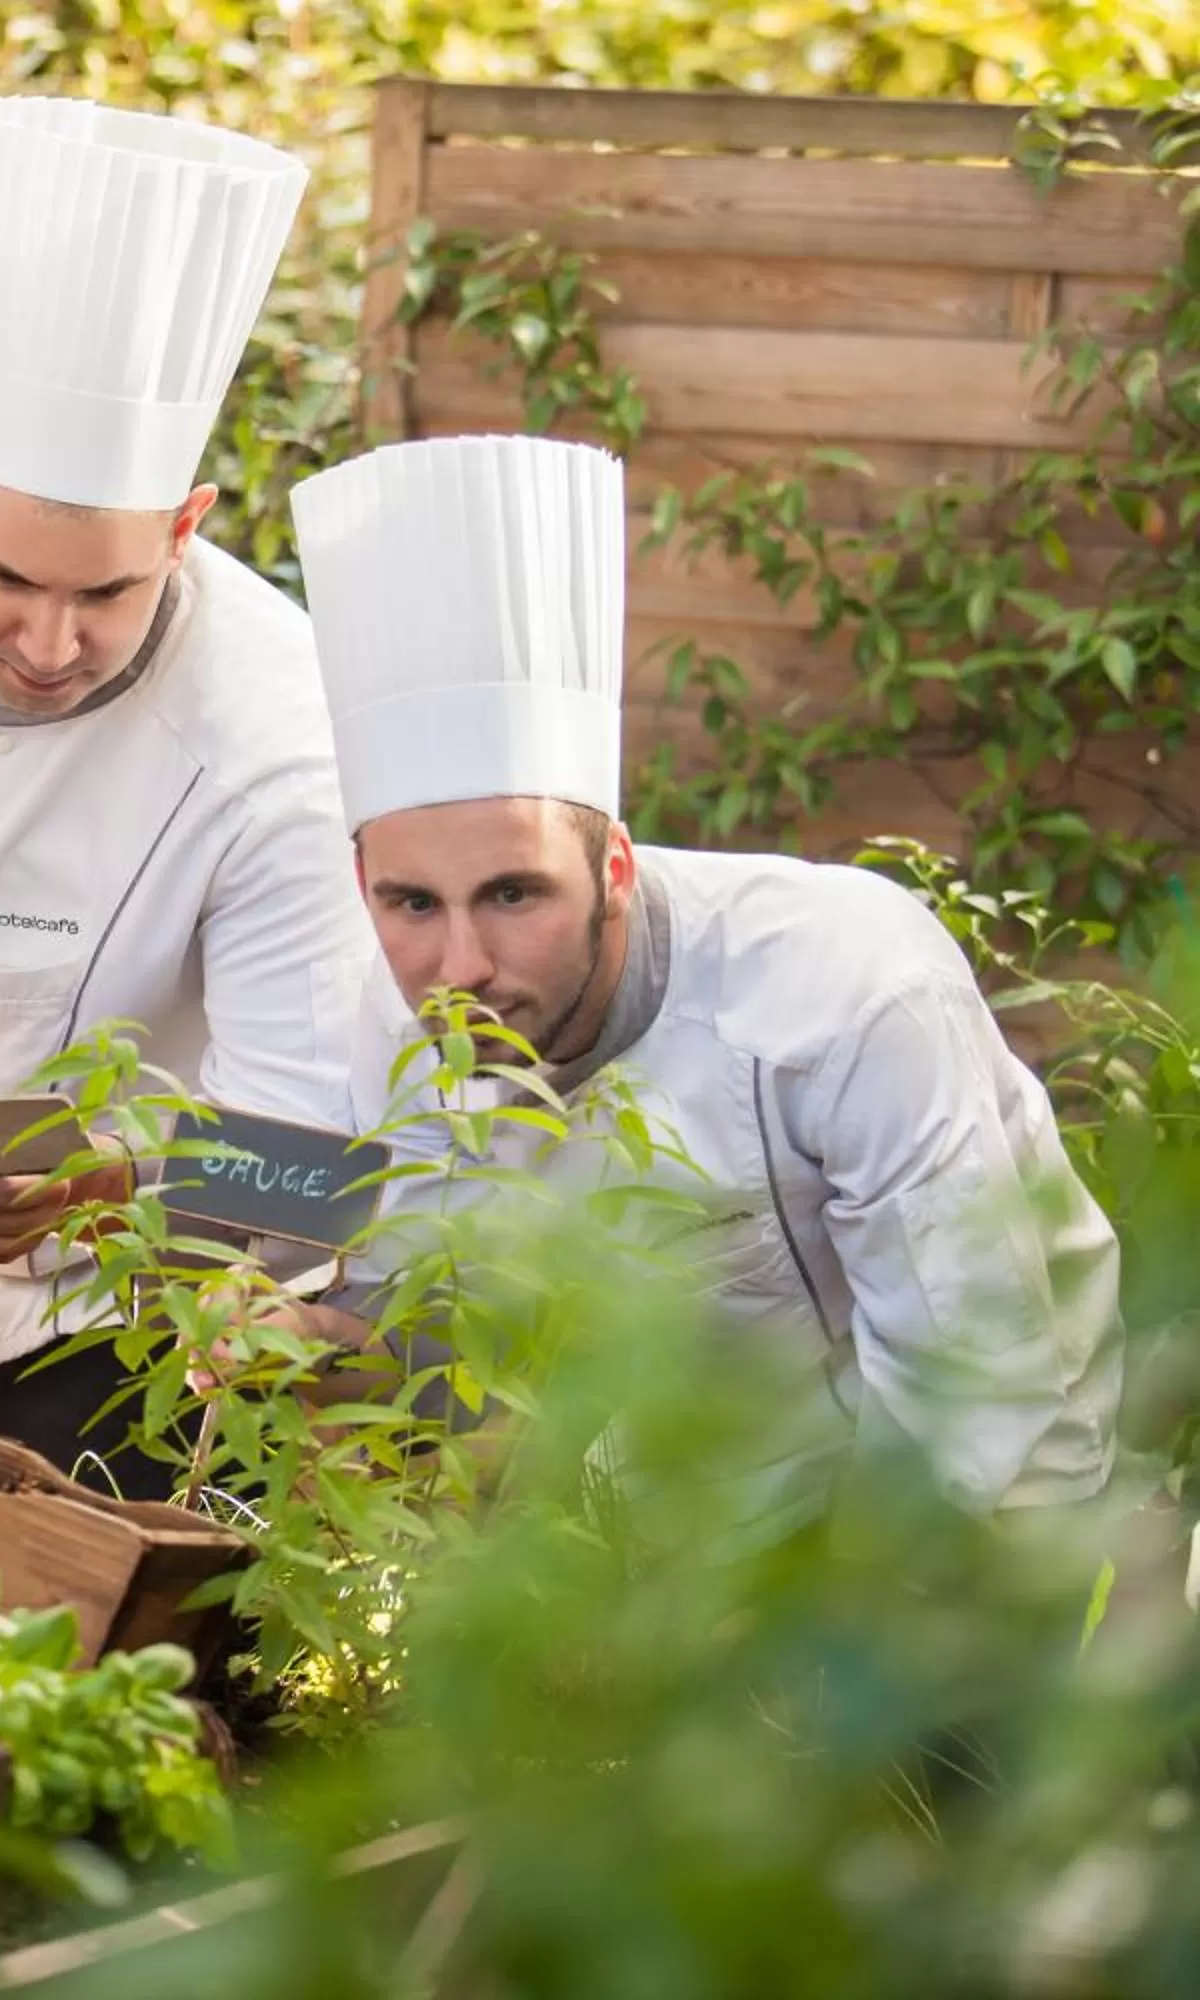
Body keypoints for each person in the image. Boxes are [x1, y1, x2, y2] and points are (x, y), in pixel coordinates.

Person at [280, 432, 1121, 1528]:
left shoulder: (846, 993)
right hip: (658, 1558)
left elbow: (976, 1413)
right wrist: (325, 1357)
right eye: (411, 903)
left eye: (513, 894)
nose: (460, 969)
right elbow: (437, 1338)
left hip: (967, 1565)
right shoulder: (391, 1017)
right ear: (363, 880)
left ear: (615, 867)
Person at [0, 99, 375, 1496]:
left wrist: (115, 1181)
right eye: (8, 580)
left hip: (64, 1324)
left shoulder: (279, 733)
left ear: (189, 528)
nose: (52, 646)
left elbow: (318, 1182)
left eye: (109, 591)